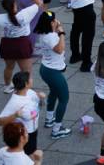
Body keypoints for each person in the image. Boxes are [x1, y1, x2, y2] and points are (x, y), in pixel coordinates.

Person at [32, 9, 73, 139]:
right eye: (53, 20)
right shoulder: (50, 37)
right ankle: (57, 129)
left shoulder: (46, 33)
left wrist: (56, 30)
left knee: (54, 93)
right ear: (49, 24)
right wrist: (61, 32)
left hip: (47, 69)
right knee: (64, 98)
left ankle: (49, 119)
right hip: (52, 72)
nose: (56, 21)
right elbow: (60, 49)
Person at [0, 71, 44, 156]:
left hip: (33, 130)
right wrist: (15, 115)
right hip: (24, 134)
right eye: (30, 79)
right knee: (31, 156)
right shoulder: (15, 102)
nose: (32, 79)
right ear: (26, 84)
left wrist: (41, 98)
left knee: (32, 154)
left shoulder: (30, 92)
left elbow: (39, 105)